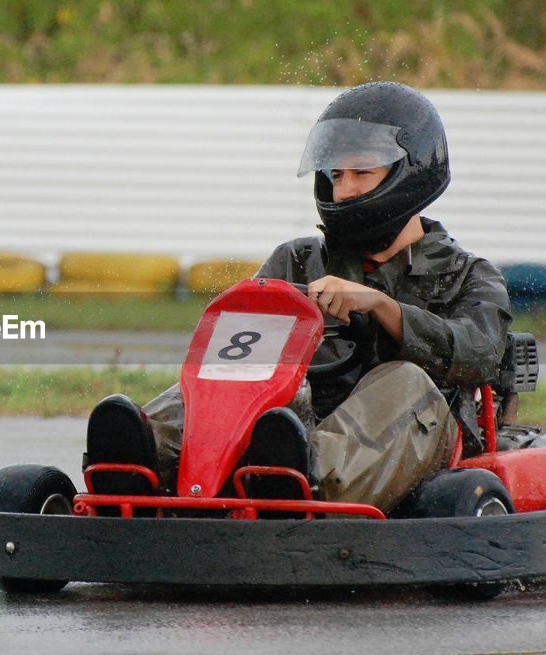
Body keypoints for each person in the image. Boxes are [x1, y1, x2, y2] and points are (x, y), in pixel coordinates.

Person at [85, 82, 513, 514]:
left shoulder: (467, 274)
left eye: (361, 173)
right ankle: (139, 461)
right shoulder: (297, 260)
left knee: (403, 377)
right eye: (336, 175)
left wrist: (383, 308)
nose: (344, 191)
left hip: (417, 437)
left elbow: (480, 355)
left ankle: (298, 480)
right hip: (292, 427)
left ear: (412, 171)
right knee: (238, 372)